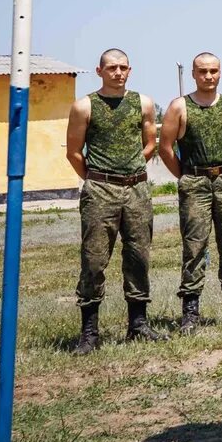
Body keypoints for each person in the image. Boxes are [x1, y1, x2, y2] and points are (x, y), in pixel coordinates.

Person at [65, 48, 165, 353]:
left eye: (123, 67)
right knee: (94, 260)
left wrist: (131, 166)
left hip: (136, 190)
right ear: (99, 71)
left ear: (130, 70)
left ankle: (138, 325)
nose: (118, 73)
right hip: (100, 191)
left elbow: (150, 143)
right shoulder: (84, 107)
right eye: (111, 68)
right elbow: (73, 152)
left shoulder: (143, 103)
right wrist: (98, 178)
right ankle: (90, 332)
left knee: (138, 257)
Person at [158, 52, 222, 332]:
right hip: (194, 183)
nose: (208, 76)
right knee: (194, 245)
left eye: (213, 71)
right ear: (194, 75)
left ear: (220, 73)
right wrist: (187, 175)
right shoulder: (179, 107)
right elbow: (166, 148)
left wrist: (219, 170)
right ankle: (191, 311)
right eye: (202, 71)